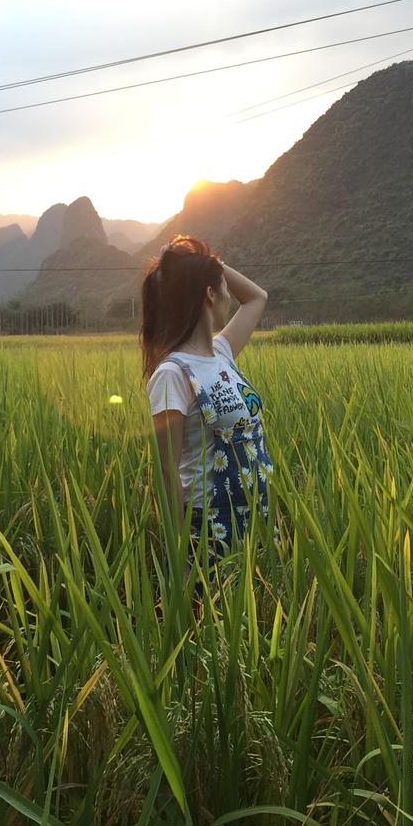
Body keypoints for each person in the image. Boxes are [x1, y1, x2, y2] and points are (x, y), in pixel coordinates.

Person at [141, 235, 272, 577]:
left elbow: (258, 298)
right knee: (211, 627)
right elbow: (166, 472)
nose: (230, 293)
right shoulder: (172, 373)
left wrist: (205, 264)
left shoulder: (222, 352)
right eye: (222, 286)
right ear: (210, 295)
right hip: (208, 527)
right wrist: (181, 554)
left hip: (255, 515)